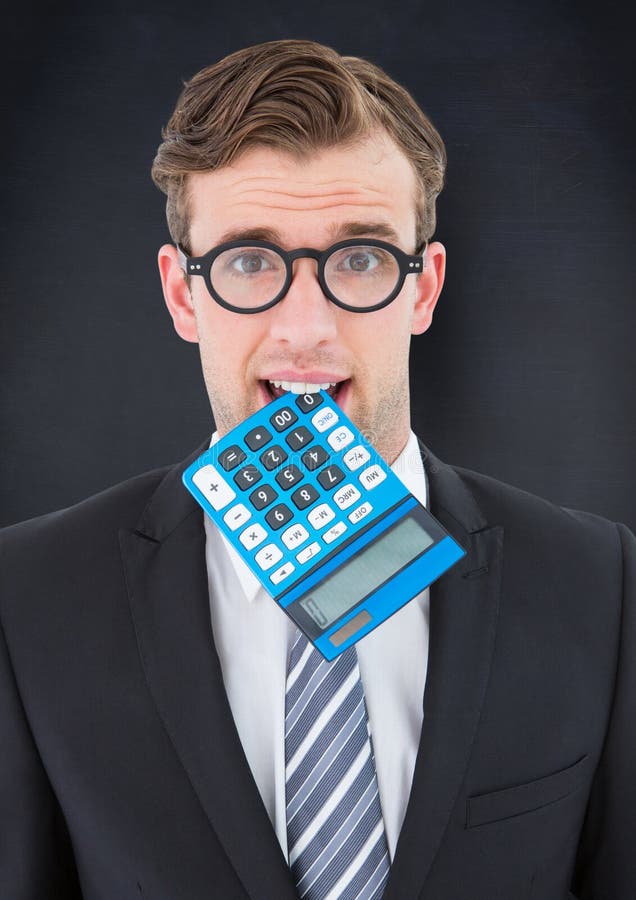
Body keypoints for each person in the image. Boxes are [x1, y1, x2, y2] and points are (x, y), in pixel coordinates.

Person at [0, 38, 634, 900]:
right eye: (249, 261)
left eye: (361, 259)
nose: (307, 328)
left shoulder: (600, 586)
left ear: (423, 288)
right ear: (184, 294)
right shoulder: (28, 599)